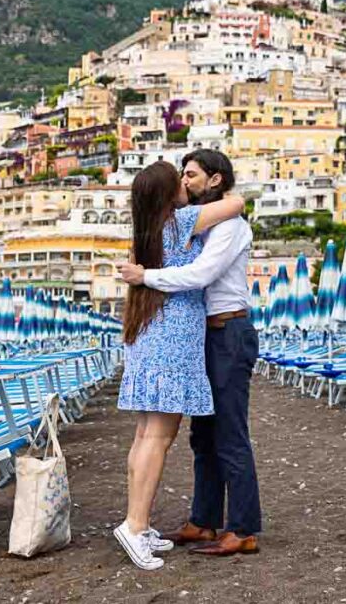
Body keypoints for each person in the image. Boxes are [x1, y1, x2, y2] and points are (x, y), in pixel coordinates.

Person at [117, 149, 262, 558]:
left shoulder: (223, 223)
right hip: (193, 336)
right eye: (180, 176)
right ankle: (201, 519)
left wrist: (144, 275)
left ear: (214, 180)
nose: (186, 180)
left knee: (229, 432)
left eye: (192, 174)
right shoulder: (186, 223)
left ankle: (243, 528)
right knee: (201, 436)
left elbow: (200, 274)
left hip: (226, 330)